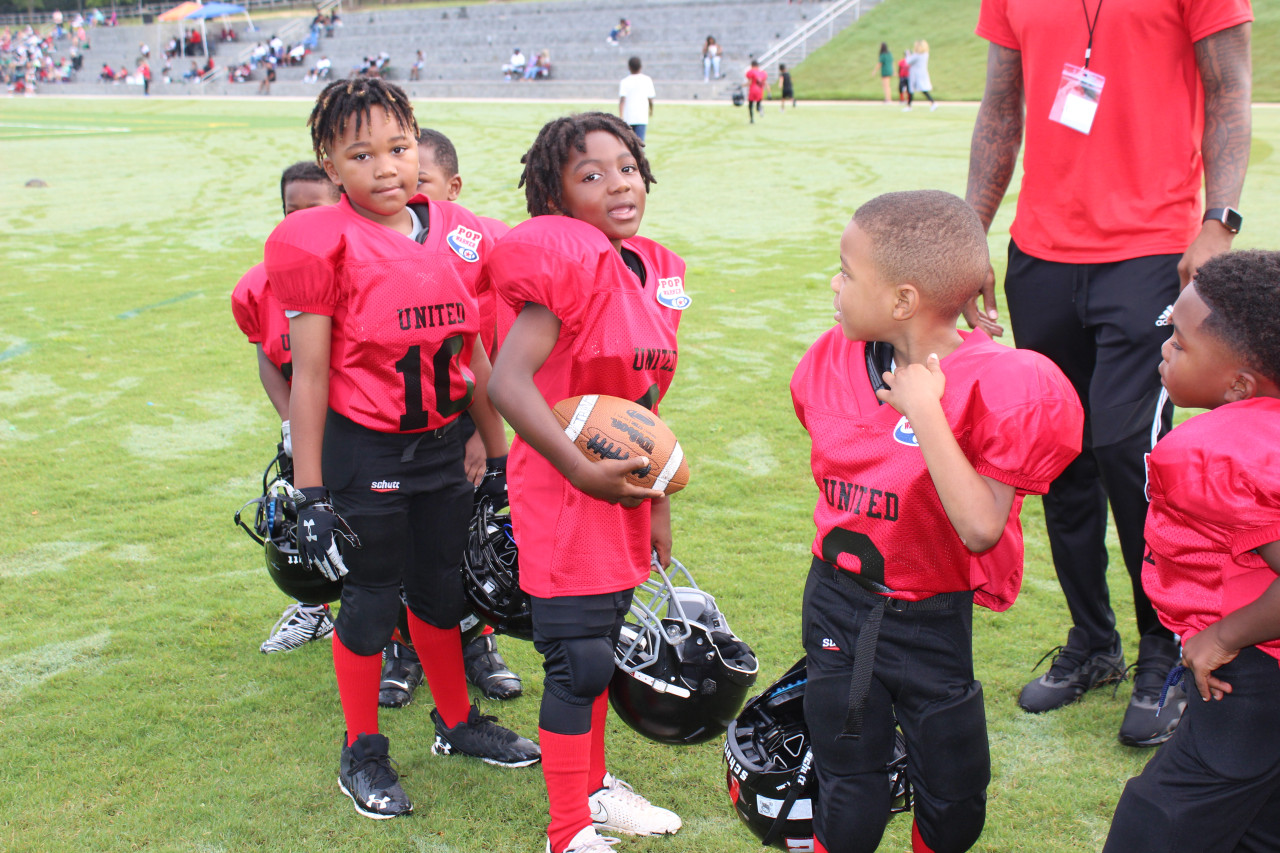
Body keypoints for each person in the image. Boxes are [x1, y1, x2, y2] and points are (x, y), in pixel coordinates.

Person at [966, 0, 1252, 747]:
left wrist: (1219, 218)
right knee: (1060, 456)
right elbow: (1002, 103)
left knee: (1128, 446)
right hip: (1041, 253)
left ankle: (1166, 647)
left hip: (1153, 249)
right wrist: (971, 234)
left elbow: (1229, 89)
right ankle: (1094, 643)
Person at [264, 77, 540, 821]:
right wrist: (313, 492)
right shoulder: (318, 240)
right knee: (369, 600)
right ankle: (363, 750)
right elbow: (312, 376)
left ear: (419, 143)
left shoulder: (457, 230)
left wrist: (499, 449)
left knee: (441, 592)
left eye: (399, 147)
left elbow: (474, 353)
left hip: (443, 446)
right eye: (362, 154)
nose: (387, 167)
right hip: (367, 450)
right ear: (330, 163)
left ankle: (456, 723)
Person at [790, 190, 1082, 853]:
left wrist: (924, 409)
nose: (835, 284)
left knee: (954, 791)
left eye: (848, 271)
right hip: (837, 601)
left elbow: (980, 527)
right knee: (848, 782)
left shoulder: (1001, 383)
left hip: (930, 617)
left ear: (902, 300)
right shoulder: (827, 362)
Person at [487, 111, 689, 853]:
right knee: (578, 662)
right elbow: (508, 384)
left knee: (602, 646)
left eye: (627, 165)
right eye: (591, 174)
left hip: (619, 491)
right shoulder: (566, 264)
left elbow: (644, 404)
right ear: (556, 196)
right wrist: (578, 469)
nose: (618, 182)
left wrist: (657, 498)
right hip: (565, 493)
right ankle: (566, 830)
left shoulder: (651, 267)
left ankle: (594, 789)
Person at [1102, 251, 1280, 853]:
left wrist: (1226, 636)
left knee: (1156, 825)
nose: (1164, 351)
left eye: (1178, 341)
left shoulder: (1217, 453)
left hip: (1251, 675)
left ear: (1238, 384)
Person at [373, 126, 524, 708]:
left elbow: (489, 350)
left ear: (452, 188)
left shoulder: (483, 240)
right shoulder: (379, 238)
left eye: (424, 184)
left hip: (467, 409)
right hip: (397, 417)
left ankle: (477, 642)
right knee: (396, 543)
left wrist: (485, 437)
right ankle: (400, 646)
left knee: (470, 534)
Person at [232, 161, 343, 653]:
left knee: (372, 523)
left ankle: (386, 624)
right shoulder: (260, 283)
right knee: (300, 518)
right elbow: (269, 361)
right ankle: (313, 609)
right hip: (305, 420)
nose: (298, 220)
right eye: (289, 210)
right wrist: (289, 423)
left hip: (365, 421)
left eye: (312, 208)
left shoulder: (355, 267)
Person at [618, 56, 655, 142]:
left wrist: (621, 116)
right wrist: (651, 110)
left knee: (629, 143)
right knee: (639, 143)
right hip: (641, 117)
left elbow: (622, 100)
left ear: (629, 67)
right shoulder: (647, 80)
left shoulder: (625, 81)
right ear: (640, 67)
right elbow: (650, 99)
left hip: (628, 117)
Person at [904, 40, 936, 111]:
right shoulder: (925, 54)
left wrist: (907, 55)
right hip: (922, 73)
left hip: (915, 74)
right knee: (923, 90)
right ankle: (932, 103)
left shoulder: (917, 55)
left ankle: (909, 106)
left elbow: (908, 61)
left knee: (911, 89)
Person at [744, 58, 769, 124]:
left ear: (752, 65)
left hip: (752, 90)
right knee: (757, 106)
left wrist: (742, 85)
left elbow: (750, 82)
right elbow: (765, 83)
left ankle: (752, 119)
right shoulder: (762, 73)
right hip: (760, 91)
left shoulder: (750, 72)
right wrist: (769, 92)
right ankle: (760, 108)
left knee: (750, 106)